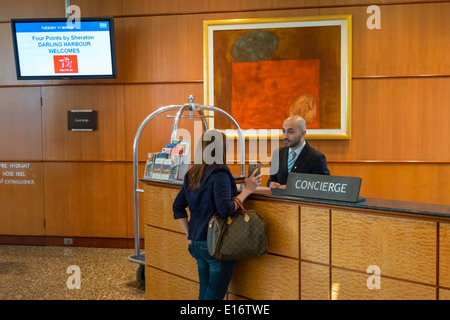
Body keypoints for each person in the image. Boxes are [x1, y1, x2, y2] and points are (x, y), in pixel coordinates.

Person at [172, 130, 261, 300]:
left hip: (197, 243)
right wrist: (248, 190)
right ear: (221, 149)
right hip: (215, 244)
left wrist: (189, 235)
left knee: (205, 292)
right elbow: (225, 209)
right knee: (213, 297)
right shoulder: (219, 172)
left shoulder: (193, 172)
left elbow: (177, 207)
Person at [267, 115, 330, 188]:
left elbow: (322, 187)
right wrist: (271, 184)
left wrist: (291, 188)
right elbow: (271, 180)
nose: (285, 136)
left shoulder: (317, 158)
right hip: (279, 199)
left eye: (290, 132)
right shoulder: (277, 154)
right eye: (284, 131)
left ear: (303, 133)